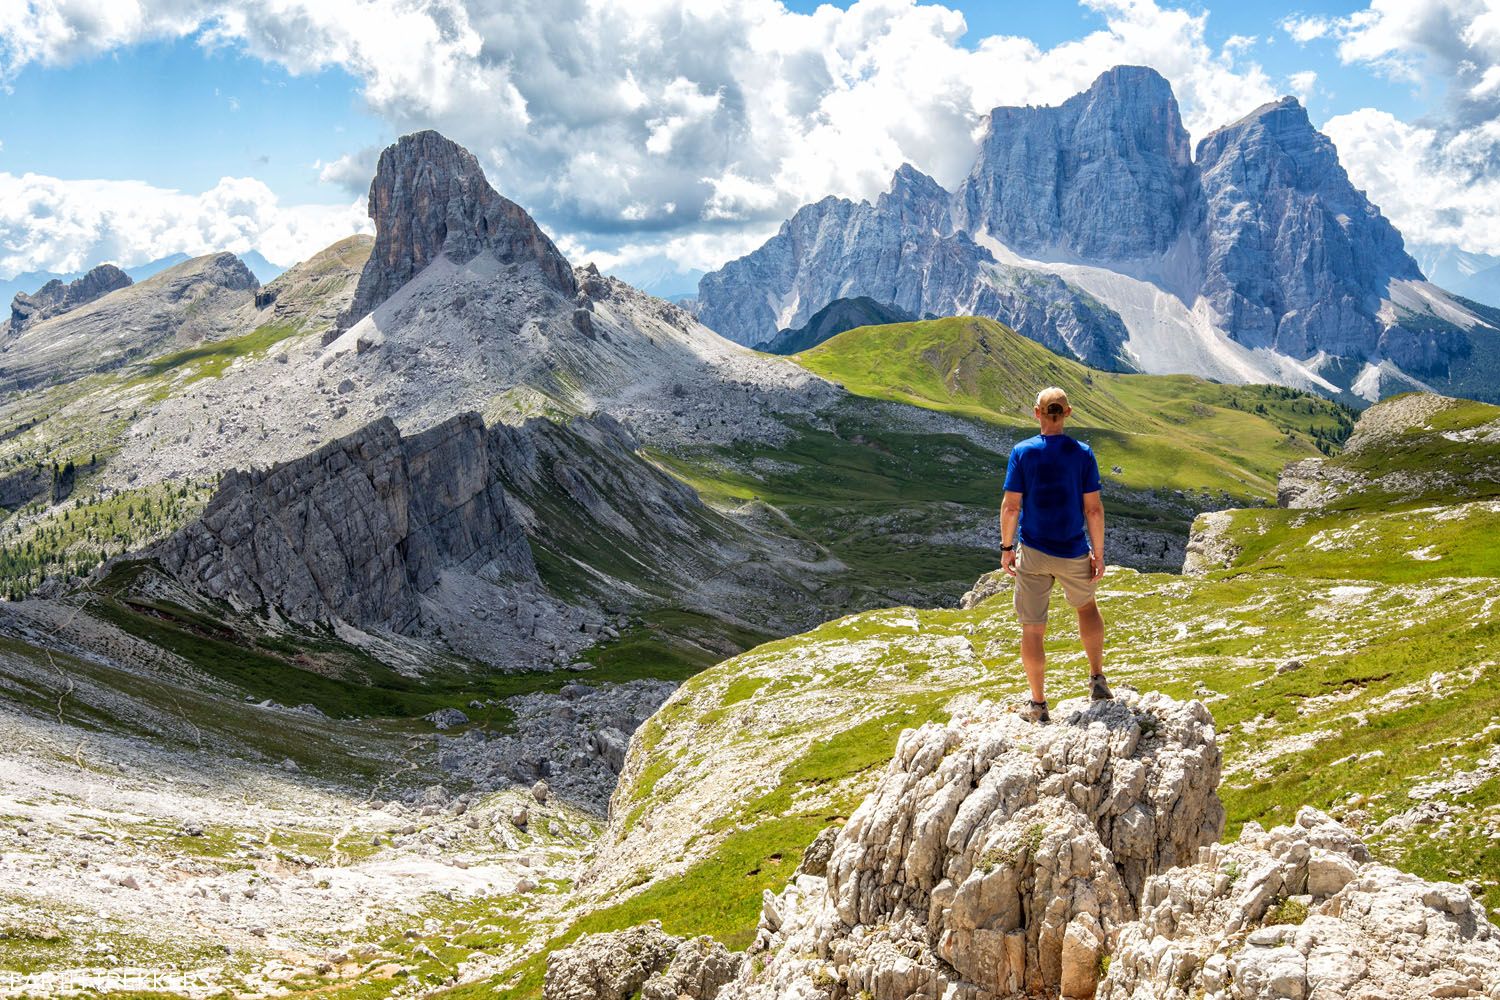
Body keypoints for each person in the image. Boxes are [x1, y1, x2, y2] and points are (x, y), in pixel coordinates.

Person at [999, 386, 1111, 723]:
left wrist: (1006, 548)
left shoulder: (1022, 452)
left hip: (1033, 551)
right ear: (1068, 413)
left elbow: (1011, 506)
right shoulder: (1083, 453)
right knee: (1086, 607)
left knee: (1032, 628)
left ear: (1037, 413)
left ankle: (1038, 704)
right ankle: (1097, 680)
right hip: (1073, 550)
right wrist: (1099, 553)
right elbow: (1093, 510)